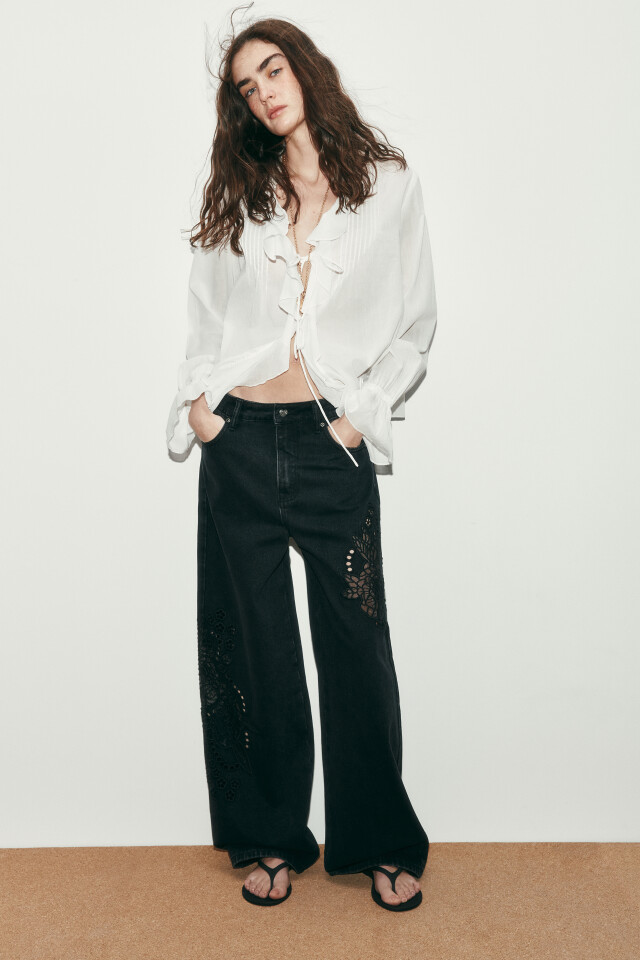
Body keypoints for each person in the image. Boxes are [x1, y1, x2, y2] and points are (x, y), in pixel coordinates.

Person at [166, 14, 437, 913]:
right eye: (247, 87)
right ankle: (273, 837)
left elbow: (415, 325)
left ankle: (380, 841)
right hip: (240, 441)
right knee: (256, 652)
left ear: (305, 69)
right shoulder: (243, 194)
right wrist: (201, 409)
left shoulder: (388, 185)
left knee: (357, 649)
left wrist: (361, 420)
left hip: (330, 443)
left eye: (272, 70)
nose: (264, 93)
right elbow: (207, 315)